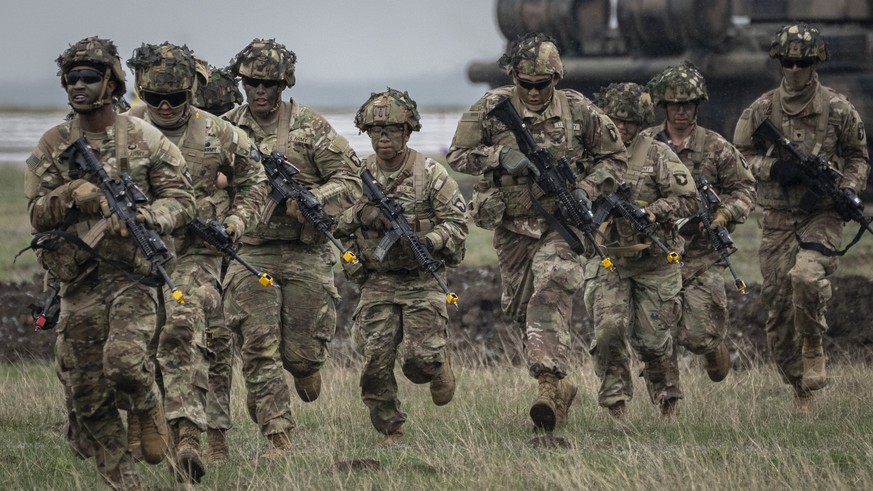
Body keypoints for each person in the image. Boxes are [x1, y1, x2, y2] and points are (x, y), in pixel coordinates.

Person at [25, 36, 195, 489]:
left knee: (124, 362)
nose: (77, 86)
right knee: (87, 394)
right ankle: (124, 481)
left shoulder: (146, 139)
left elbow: (182, 201)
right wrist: (70, 193)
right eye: (71, 78)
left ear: (112, 83)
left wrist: (145, 216)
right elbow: (36, 214)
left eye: (88, 77)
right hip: (78, 281)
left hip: (134, 277)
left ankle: (148, 406)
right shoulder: (53, 144)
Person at [446, 32, 627, 431]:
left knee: (549, 292)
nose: (531, 92)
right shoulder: (491, 108)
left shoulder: (579, 110)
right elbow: (457, 155)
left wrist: (586, 189)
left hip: (561, 226)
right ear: (513, 77)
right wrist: (499, 155)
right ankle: (562, 388)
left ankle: (547, 385)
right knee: (521, 309)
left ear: (555, 79)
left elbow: (615, 158)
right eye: (523, 83)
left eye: (540, 84)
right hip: (512, 227)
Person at [125, 42, 266, 480]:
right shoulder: (123, 130)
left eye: (175, 98)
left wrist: (237, 221)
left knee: (182, 327)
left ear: (191, 92)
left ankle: (188, 436)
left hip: (196, 253)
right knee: (134, 347)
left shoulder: (220, 134)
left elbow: (256, 181)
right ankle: (144, 421)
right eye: (155, 98)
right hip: (134, 255)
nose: (165, 107)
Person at [222, 38, 362, 459]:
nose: (259, 92)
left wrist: (315, 199)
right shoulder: (225, 130)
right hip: (252, 251)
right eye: (251, 83)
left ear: (284, 85)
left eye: (268, 84)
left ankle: (305, 368)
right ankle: (277, 435)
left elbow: (351, 179)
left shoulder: (310, 126)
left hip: (306, 251)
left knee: (301, 355)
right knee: (258, 345)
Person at [733, 23, 869, 412]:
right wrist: (774, 169)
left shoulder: (839, 109)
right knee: (777, 309)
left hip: (822, 214)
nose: (795, 70)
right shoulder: (762, 109)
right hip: (777, 216)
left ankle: (813, 345)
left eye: (803, 63)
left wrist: (848, 189)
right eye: (788, 63)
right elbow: (738, 155)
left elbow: (858, 157)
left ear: (816, 63)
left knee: (806, 277)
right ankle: (800, 389)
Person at [333, 89, 468, 445]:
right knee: (375, 360)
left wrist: (431, 240)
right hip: (377, 280)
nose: (383, 138)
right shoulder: (355, 177)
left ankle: (437, 362)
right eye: (375, 131)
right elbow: (331, 222)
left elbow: (458, 223)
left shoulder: (430, 174)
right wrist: (362, 213)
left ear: (407, 132)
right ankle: (391, 428)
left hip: (422, 280)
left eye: (392, 130)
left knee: (418, 362)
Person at [587, 82, 698, 417]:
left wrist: (652, 211)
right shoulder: (589, 156)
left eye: (631, 122)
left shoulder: (658, 154)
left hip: (655, 260)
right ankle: (616, 405)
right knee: (608, 330)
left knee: (653, 340)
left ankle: (667, 401)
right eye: (616, 121)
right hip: (610, 260)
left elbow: (690, 200)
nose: (622, 128)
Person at [642, 61, 756, 382]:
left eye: (688, 104)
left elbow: (745, 189)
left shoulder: (716, 147)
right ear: (664, 106)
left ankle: (711, 348)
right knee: (655, 331)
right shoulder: (645, 144)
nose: (681, 111)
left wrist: (726, 213)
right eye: (674, 104)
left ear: (697, 106)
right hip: (657, 252)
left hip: (702, 254)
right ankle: (667, 398)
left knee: (699, 335)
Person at [190, 61, 247, 465]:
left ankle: (215, 438)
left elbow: (250, 182)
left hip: (221, 256)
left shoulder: (234, 140)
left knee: (217, 347)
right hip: (175, 255)